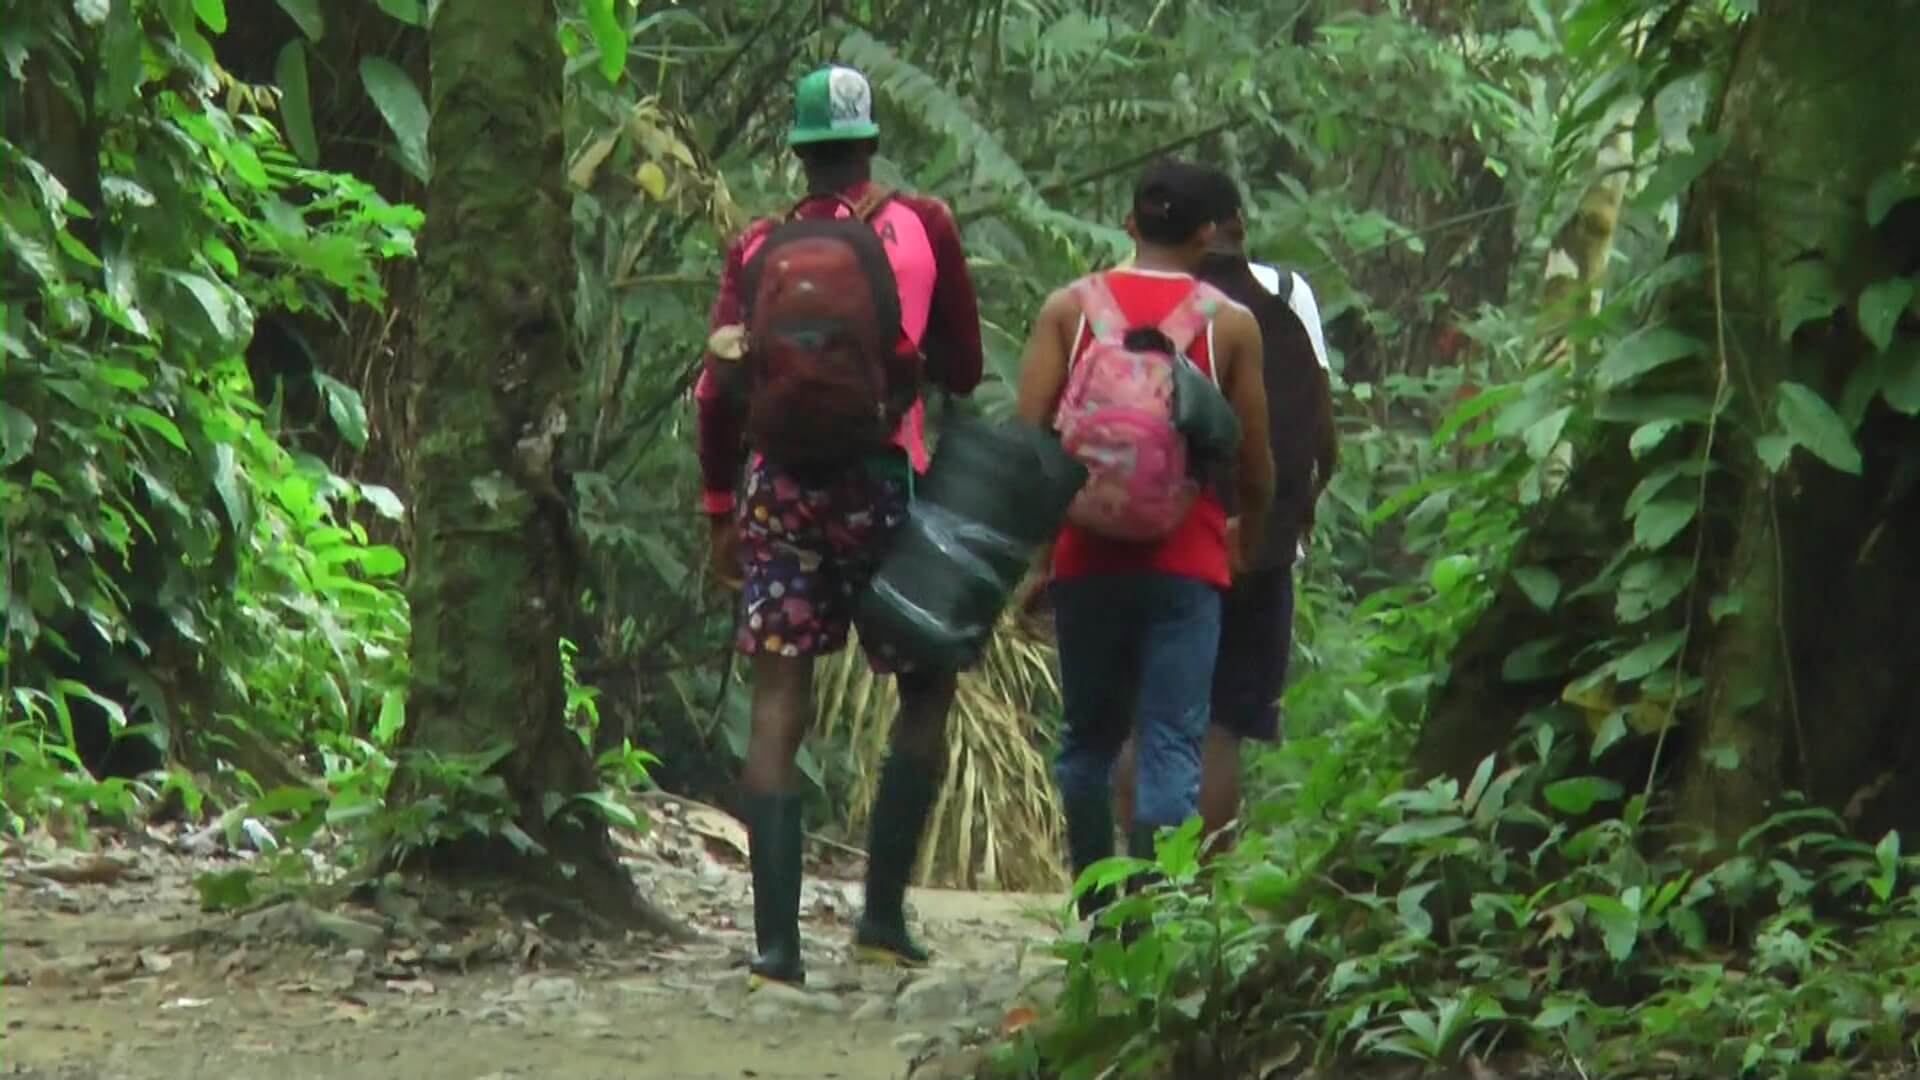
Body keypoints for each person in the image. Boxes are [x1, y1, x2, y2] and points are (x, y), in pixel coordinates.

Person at [693, 65, 983, 986]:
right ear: (869, 143)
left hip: (778, 489)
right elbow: (966, 368)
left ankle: (777, 947)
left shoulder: (760, 244)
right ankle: (884, 919)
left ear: (800, 149)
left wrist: (718, 511)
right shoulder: (923, 224)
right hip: (884, 485)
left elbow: (716, 391)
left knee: (779, 701)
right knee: (925, 688)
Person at [1013, 159, 1275, 918]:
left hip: (1085, 560)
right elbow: (1256, 461)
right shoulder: (1228, 324)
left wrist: (1042, 559)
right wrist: (1245, 538)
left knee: (1087, 745)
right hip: (1186, 566)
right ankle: (1151, 925)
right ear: (1208, 233)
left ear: (1129, 223)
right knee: (1170, 749)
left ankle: (1097, 918)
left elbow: (1030, 448)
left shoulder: (1071, 309)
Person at [1110, 168, 1340, 853]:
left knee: (1142, 722)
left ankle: (1136, 890)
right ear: (1235, 223)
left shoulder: (1119, 299)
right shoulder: (1286, 294)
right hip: (1253, 545)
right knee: (1219, 731)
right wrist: (1296, 513)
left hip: (1141, 538)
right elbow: (1320, 434)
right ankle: (1198, 906)